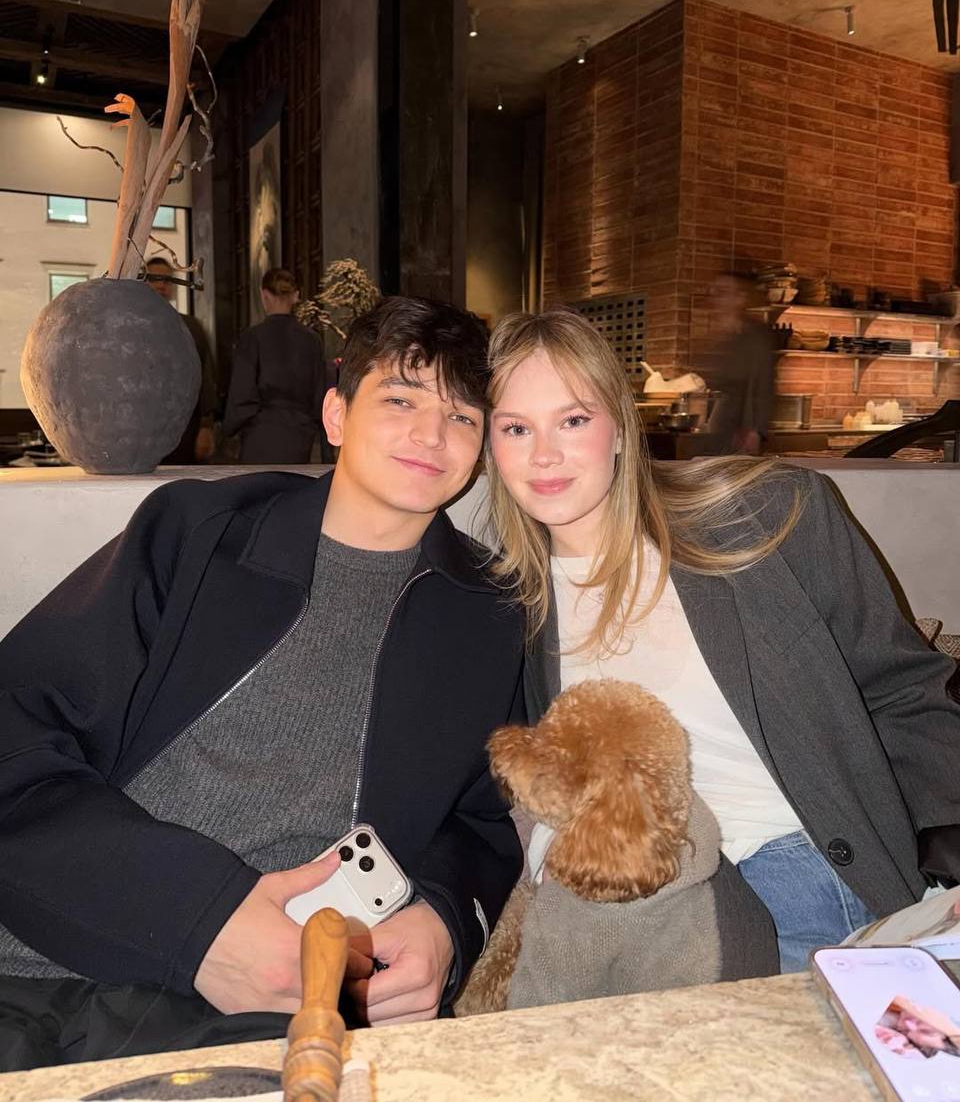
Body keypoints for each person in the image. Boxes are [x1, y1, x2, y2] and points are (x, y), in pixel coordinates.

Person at [0, 296, 525, 1070]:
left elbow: (488, 820)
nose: (430, 434)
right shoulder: (199, 533)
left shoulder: (489, 615)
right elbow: (16, 727)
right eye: (400, 399)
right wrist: (198, 919)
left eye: (461, 416)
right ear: (337, 415)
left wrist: (446, 921)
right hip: (39, 954)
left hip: (270, 1005)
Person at [481, 307, 960, 977]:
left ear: (619, 427)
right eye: (516, 428)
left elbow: (904, 689)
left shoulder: (767, 515)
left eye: (573, 420)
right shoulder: (504, 604)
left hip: (794, 871)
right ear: (492, 446)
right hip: (638, 900)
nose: (544, 454)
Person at [222, 268, 326, 464]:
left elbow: (242, 393)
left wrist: (228, 430)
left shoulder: (253, 338)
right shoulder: (312, 340)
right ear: (295, 296)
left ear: (265, 295)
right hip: (301, 436)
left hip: (261, 435)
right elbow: (320, 393)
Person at [146, 256, 218, 463]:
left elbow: (206, 378)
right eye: (155, 279)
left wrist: (206, 426)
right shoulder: (128, 327)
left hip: (184, 427)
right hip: (141, 426)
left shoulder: (190, 327)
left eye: (167, 280)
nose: (161, 285)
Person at [702, 271, 775, 455]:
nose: (716, 297)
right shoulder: (721, 338)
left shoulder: (754, 337)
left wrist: (754, 430)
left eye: (723, 292)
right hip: (719, 427)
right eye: (714, 292)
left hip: (741, 434)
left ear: (740, 298)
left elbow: (762, 385)